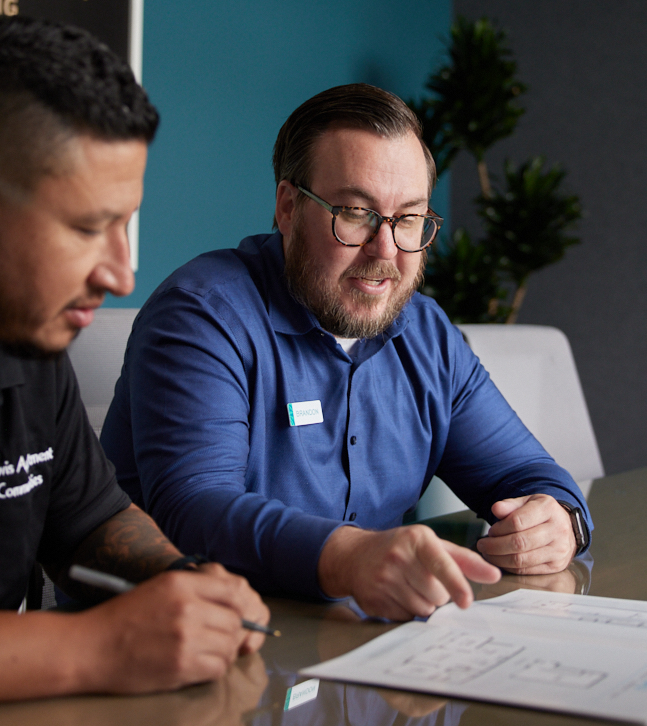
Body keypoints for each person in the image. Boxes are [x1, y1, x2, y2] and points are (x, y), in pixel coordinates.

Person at [101, 83, 592, 621]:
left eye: (408, 219)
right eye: (356, 213)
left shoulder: (426, 332)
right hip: (172, 650)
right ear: (288, 207)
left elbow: (532, 476)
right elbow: (191, 511)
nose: (386, 250)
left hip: (353, 651)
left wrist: (558, 521)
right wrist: (347, 556)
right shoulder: (201, 315)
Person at [0, 16, 269, 707]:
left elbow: (90, 523)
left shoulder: (28, 343)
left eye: (125, 223)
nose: (124, 274)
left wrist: (184, 584)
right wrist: (99, 648)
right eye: (87, 227)